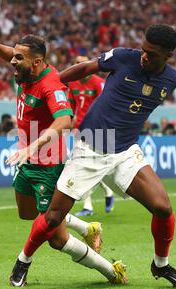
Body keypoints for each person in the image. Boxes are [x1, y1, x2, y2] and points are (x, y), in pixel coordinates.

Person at [10, 24, 176, 289]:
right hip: (91, 146)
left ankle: (161, 265)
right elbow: (86, 69)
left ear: (168, 55)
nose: (144, 56)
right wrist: (53, 82)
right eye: (143, 50)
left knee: (163, 207)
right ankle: (22, 262)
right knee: (52, 217)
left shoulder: (170, 80)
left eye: (152, 54)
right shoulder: (123, 57)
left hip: (126, 150)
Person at [0, 32, 127, 287]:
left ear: (36, 62)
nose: (12, 61)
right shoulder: (25, 69)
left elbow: (65, 120)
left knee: (56, 239)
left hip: (47, 166)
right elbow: (12, 55)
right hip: (26, 161)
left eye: (18, 57)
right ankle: (89, 229)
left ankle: (111, 270)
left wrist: (33, 146)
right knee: (27, 213)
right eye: (13, 55)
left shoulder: (50, 85)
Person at [67, 55, 115, 217]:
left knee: (95, 166)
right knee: (82, 166)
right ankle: (88, 206)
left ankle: (108, 191)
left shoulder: (98, 83)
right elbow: (71, 106)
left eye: (81, 63)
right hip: (79, 129)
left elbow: (106, 105)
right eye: (76, 63)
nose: (78, 66)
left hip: (97, 128)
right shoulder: (72, 83)